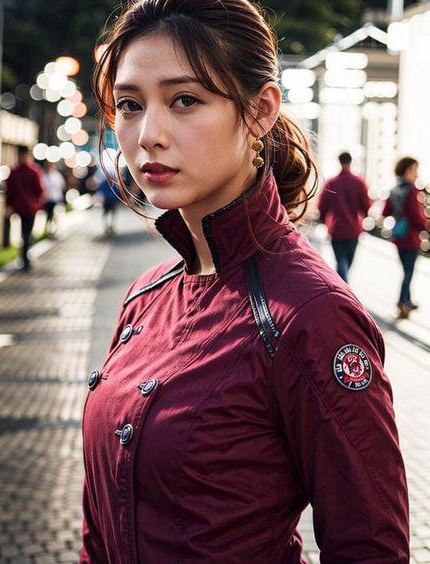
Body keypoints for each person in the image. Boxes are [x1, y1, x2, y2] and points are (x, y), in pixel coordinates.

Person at [81, 1, 409, 562]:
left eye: (185, 100)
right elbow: (97, 531)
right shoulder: (142, 299)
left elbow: (370, 545)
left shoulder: (309, 314)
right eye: (130, 105)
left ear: (259, 112)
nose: (149, 135)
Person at [383, 157, 427, 319]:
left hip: (398, 237)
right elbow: (417, 217)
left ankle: (407, 299)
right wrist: (426, 223)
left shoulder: (395, 189)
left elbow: (386, 212)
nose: (417, 173)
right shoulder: (413, 190)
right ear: (408, 170)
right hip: (412, 238)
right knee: (409, 272)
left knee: (405, 269)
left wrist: (400, 214)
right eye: (415, 169)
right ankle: (402, 302)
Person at [318, 152, 371, 283]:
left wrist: (325, 221)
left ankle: (342, 285)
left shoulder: (331, 182)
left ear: (339, 161)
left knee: (341, 261)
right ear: (350, 161)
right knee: (348, 262)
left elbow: (322, 206)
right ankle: (344, 286)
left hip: (336, 228)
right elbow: (366, 206)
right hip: (354, 229)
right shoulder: (359, 182)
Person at [5, 145, 44, 271]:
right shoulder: (34, 171)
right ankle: (25, 258)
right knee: (27, 233)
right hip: (31, 206)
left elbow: (9, 191)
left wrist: (9, 206)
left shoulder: (14, 172)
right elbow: (39, 190)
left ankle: (23, 256)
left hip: (19, 206)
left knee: (24, 232)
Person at [42, 161, 66, 237]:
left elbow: (62, 186)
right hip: (48, 199)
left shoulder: (57, 176)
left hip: (56, 198)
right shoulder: (43, 176)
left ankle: (56, 229)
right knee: (48, 215)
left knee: (56, 215)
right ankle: (49, 230)